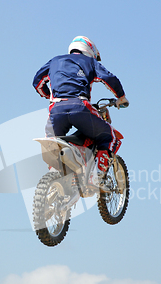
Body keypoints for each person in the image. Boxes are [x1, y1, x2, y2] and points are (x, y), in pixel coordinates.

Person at [32, 36, 129, 188]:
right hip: (80, 107)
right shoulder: (90, 62)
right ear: (90, 50)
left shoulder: (55, 61)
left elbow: (37, 81)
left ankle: (56, 180)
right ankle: (97, 176)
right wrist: (121, 97)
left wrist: (49, 95)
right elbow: (109, 78)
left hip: (56, 110)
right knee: (109, 136)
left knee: (52, 145)